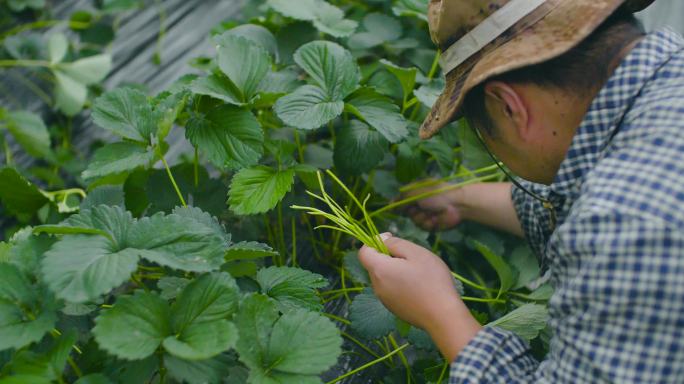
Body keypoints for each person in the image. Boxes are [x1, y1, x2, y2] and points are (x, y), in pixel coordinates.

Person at [358, 0, 684, 382]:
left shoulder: (627, 223)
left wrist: (439, 310)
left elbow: (612, 220)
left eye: (483, 136)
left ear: (508, 107)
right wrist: (460, 199)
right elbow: (587, 200)